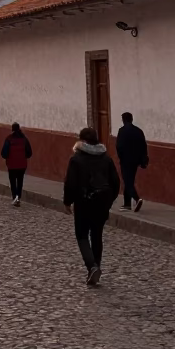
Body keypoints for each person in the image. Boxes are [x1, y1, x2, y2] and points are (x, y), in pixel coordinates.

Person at [63, 126, 121, 286]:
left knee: (82, 235)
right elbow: (116, 183)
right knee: (97, 235)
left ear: (81, 140)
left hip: (84, 203)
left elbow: (71, 183)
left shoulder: (76, 159)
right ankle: (96, 266)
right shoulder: (106, 159)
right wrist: (109, 200)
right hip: (102, 203)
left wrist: (67, 201)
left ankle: (92, 267)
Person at [115, 112, 148, 212]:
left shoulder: (122, 131)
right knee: (129, 180)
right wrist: (143, 159)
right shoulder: (138, 131)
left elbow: (119, 146)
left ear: (123, 120)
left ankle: (137, 199)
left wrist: (121, 157)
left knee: (128, 181)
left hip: (126, 161)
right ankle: (127, 204)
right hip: (135, 161)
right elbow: (144, 146)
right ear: (131, 119)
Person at [1, 123, 33, 205]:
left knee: (12, 181)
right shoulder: (24, 139)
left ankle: (14, 196)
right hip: (22, 164)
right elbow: (29, 153)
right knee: (20, 181)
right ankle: (18, 197)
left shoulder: (9, 139)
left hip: (11, 165)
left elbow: (4, 153)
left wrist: (8, 157)